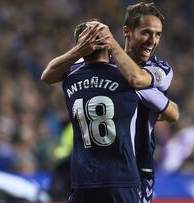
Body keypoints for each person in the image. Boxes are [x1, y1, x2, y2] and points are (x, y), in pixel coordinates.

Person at [41, 3, 178, 202]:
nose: (152, 40)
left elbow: (138, 79)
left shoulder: (160, 69)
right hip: (107, 171)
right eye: (147, 33)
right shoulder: (102, 67)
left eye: (157, 34)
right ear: (127, 32)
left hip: (138, 164)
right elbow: (48, 75)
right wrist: (81, 50)